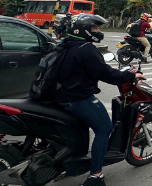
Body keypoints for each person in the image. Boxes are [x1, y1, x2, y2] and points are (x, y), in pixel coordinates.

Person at [55, 14, 146, 186]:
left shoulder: (65, 45)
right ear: (84, 30)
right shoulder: (87, 49)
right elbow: (106, 74)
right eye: (95, 28)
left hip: (58, 95)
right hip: (76, 98)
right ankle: (96, 176)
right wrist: (130, 75)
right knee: (104, 128)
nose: (97, 31)